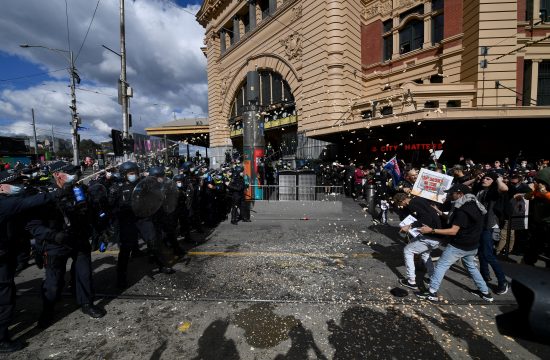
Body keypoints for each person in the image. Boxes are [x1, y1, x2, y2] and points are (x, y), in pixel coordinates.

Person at [25, 162, 106, 328]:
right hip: (55, 243)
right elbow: (32, 225)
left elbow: (91, 212)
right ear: (56, 175)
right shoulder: (43, 194)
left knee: (84, 274)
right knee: (53, 282)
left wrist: (99, 229)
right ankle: (48, 310)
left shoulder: (79, 190)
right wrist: (53, 235)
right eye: (68, 173)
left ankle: (86, 303)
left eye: (74, 173)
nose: (73, 176)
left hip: (78, 238)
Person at [0, 172, 58, 353]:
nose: (19, 185)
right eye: (13, 183)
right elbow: (27, 203)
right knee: (4, 298)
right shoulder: (4, 204)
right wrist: (55, 193)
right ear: (1, 186)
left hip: (6, 254)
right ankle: (2, 339)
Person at [415, 183, 494, 302]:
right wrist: (439, 212)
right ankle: (485, 293)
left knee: (441, 266)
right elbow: (457, 222)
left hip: (460, 245)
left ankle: (432, 292)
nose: (450, 196)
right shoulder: (474, 204)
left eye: (452, 193)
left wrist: (431, 230)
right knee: (471, 267)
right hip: (472, 244)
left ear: (460, 194)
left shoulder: (462, 210)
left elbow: (453, 230)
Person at [393, 193, 444, 290]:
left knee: (408, 250)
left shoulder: (413, 204)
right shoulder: (417, 200)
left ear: (402, 201)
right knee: (425, 254)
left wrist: (410, 226)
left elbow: (426, 218)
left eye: (400, 204)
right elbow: (427, 214)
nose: (400, 206)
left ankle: (411, 281)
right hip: (435, 235)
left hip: (431, 236)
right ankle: (433, 277)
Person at [474, 172, 509, 294]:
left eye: (488, 179)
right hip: (480, 226)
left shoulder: (494, 192)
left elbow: (504, 188)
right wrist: (477, 177)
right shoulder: (480, 190)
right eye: (484, 178)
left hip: (490, 227)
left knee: (488, 254)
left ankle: (502, 281)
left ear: (493, 181)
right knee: (481, 253)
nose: (484, 179)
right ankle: (484, 277)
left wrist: (499, 179)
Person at [517, 167, 550, 267]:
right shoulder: (538, 189)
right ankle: (527, 263)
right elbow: (529, 195)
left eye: (542, 181)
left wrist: (544, 193)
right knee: (532, 247)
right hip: (538, 223)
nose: (539, 183)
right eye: (538, 181)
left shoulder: (544, 191)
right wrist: (523, 195)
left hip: (548, 224)